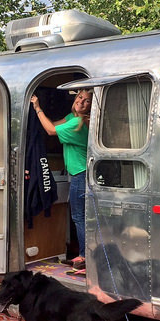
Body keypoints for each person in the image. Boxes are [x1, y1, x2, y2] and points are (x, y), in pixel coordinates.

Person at [30, 89, 92, 271]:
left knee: (79, 217)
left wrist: (37, 107)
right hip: (79, 173)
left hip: (80, 173)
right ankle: (83, 254)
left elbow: (50, 130)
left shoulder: (79, 123)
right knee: (81, 216)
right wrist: (39, 117)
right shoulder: (72, 118)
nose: (82, 102)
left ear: (90, 107)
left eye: (87, 101)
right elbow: (53, 124)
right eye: (80, 97)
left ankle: (84, 257)